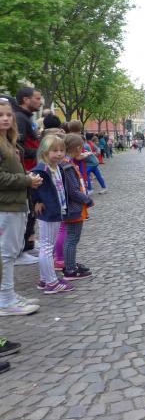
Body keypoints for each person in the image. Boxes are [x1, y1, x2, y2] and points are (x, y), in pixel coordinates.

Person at [0, 98, 43, 316]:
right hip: (5, 206)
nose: (6, 118)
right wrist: (26, 180)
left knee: (11, 252)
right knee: (6, 255)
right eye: (0, 115)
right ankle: (5, 301)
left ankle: (8, 294)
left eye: (8, 114)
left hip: (15, 203)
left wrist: (26, 178)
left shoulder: (8, 141)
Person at [31, 135, 75, 294]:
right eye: (54, 150)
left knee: (47, 245)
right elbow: (32, 187)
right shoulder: (41, 169)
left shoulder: (57, 167)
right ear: (45, 152)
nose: (59, 153)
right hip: (48, 212)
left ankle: (45, 278)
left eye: (62, 150)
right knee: (47, 247)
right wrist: (36, 201)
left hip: (57, 209)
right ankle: (51, 282)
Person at [14, 87, 42, 262]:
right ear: (26, 99)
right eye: (37, 98)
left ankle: (28, 243)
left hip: (32, 169)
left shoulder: (27, 117)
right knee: (29, 210)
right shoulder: (19, 117)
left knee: (32, 209)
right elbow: (19, 146)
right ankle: (21, 249)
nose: (40, 101)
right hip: (26, 170)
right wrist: (40, 152)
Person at [61, 134, 93, 280]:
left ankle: (70, 263)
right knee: (72, 238)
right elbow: (73, 191)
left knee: (71, 237)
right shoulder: (67, 166)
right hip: (73, 207)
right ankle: (70, 269)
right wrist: (87, 200)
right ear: (78, 148)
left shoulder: (66, 162)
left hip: (73, 206)